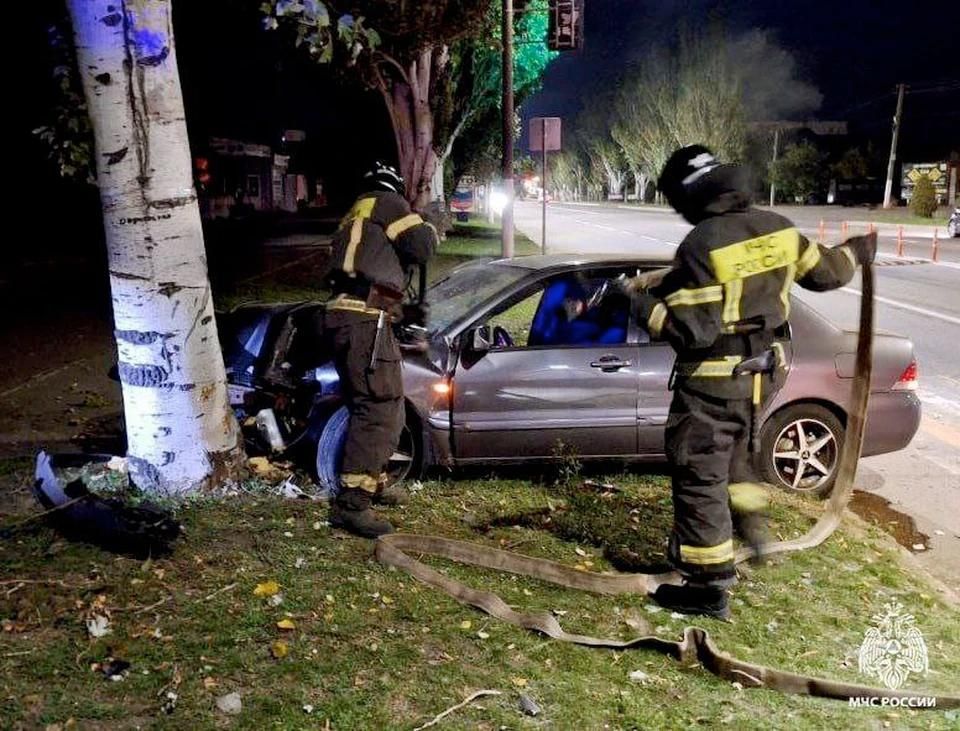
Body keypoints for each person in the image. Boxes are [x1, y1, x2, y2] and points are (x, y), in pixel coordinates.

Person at [624, 145, 876, 619]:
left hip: (714, 382)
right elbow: (827, 274)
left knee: (700, 471)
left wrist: (640, 306)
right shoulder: (779, 230)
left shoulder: (704, 243)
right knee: (737, 458)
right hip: (763, 378)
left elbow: (692, 332)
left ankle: (707, 584)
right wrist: (856, 252)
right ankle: (754, 528)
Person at [317, 162, 438, 538]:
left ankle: (374, 482)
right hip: (365, 324)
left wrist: (402, 309)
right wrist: (429, 222)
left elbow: (364, 276)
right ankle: (352, 505)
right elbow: (422, 247)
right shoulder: (387, 204)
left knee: (382, 405)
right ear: (394, 187)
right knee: (379, 406)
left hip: (345, 318)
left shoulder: (355, 214)